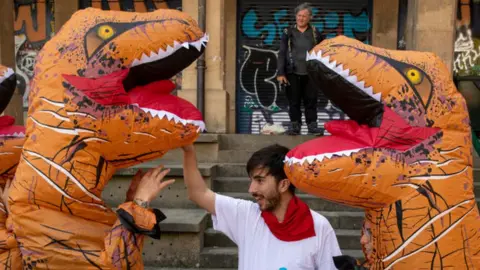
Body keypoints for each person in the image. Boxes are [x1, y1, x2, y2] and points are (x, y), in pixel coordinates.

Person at [182, 143, 342, 269]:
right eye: (251, 180)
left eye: (260, 180)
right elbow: (198, 193)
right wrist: (189, 151)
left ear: (283, 184)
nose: (251, 190)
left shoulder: (319, 227)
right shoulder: (246, 216)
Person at [277, 2, 324, 136]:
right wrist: (280, 72)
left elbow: (323, 52)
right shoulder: (288, 32)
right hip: (292, 72)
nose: (301, 18)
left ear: (310, 17)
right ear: (295, 16)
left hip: (311, 73)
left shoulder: (315, 33)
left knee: (311, 100)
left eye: (304, 16)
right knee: (294, 101)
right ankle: (295, 126)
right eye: (299, 15)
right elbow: (282, 53)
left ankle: (312, 126)